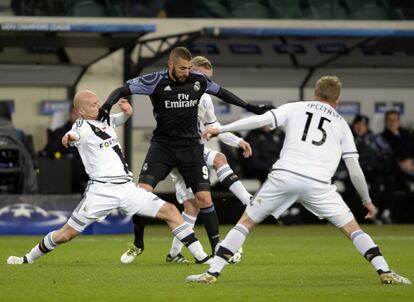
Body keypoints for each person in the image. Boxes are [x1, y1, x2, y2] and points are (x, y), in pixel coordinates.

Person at [186, 76, 411, 285]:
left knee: (245, 222)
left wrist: (221, 129)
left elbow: (260, 120)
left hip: (285, 176)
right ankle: (384, 270)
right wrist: (367, 200)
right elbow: (354, 169)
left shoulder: (296, 107)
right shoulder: (342, 124)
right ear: (338, 99)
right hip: (319, 184)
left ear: (315, 93)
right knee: (353, 229)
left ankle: (212, 272)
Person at [98, 47, 273, 260]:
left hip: (191, 148)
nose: (186, 72)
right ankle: (138, 244)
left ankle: (218, 250)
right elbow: (122, 89)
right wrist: (107, 106)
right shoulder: (155, 80)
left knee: (204, 199)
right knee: (142, 192)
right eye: (183, 68)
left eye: (189, 68)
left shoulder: (198, 80)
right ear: (171, 65)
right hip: (162, 147)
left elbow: (223, 93)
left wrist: (250, 107)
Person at [6, 90, 210, 265]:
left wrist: (127, 113)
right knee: (66, 234)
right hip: (101, 191)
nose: (99, 106)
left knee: (171, 211)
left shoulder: (103, 120)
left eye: (98, 103)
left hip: (127, 189)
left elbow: (116, 120)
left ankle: (202, 258)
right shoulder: (81, 127)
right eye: (93, 105)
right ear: (81, 111)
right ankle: (26, 259)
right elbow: (75, 134)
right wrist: (69, 137)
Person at [161, 56, 252, 264]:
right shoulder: (177, 93)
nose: (207, 84)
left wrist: (238, 141)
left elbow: (214, 127)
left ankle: (174, 253)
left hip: (191, 152)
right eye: (203, 78)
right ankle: (248, 200)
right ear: (190, 72)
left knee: (192, 206)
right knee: (219, 158)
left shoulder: (204, 98)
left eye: (210, 80)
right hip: (174, 151)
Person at [39, 106, 89, 193]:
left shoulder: (91, 134)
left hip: (89, 180)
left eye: (81, 114)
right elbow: (48, 154)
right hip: (66, 181)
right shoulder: (59, 134)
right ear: (70, 115)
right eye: (75, 113)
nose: (77, 116)